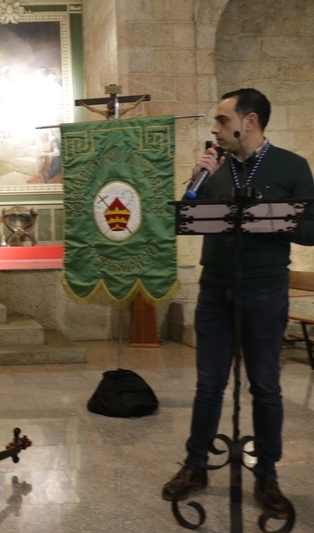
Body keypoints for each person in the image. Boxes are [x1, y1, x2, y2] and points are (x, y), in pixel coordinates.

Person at [162, 88, 314, 516]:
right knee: (209, 385)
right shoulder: (216, 168)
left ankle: (267, 473)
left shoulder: (291, 166)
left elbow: (313, 229)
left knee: (265, 386)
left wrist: (276, 219)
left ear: (249, 122)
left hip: (265, 290)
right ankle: (195, 466)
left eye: (223, 120)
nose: (215, 128)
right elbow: (186, 216)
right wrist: (197, 178)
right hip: (216, 289)